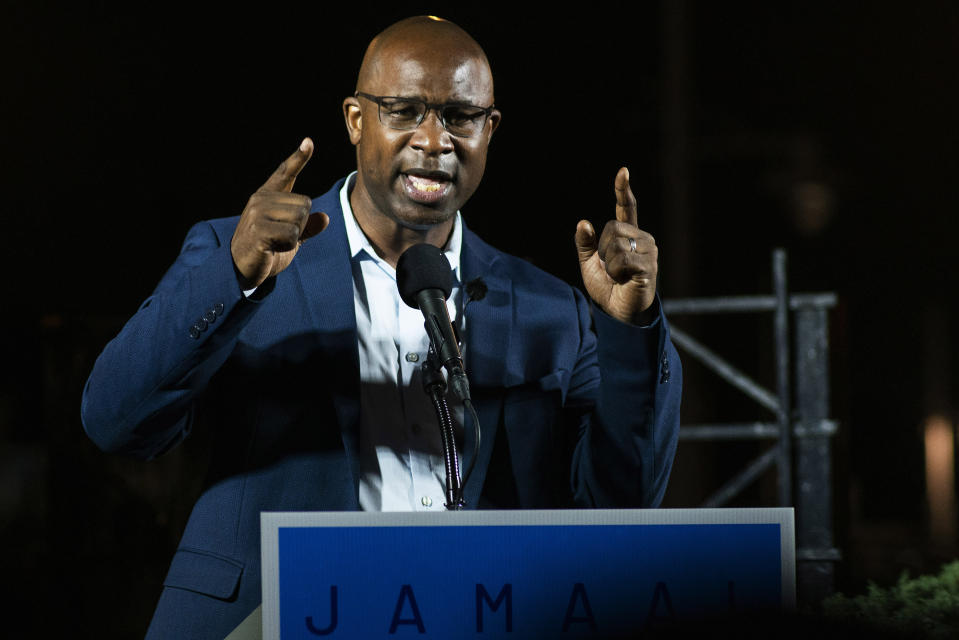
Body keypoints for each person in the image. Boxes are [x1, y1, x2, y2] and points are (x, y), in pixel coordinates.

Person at [81, 15, 682, 639]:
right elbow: (116, 422)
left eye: (459, 116)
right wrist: (236, 275)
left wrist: (629, 329)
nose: (433, 139)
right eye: (404, 111)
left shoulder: (547, 307)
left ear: (489, 129)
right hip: (270, 620)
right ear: (355, 120)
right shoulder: (245, 255)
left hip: (473, 617)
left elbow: (620, 507)